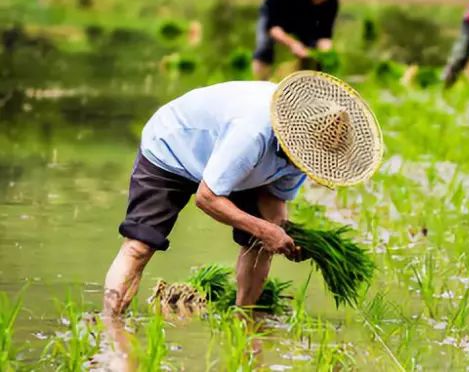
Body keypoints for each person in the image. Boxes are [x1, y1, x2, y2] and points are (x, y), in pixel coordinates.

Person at [102, 71, 382, 320]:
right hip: (173, 147)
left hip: (236, 165)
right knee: (140, 246)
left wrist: (285, 236)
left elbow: (275, 202)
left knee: (260, 244)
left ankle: (244, 320)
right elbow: (207, 198)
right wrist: (264, 229)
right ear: (292, 137)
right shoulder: (252, 131)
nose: (306, 164)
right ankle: (110, 329)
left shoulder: (308, 153)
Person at [253, 0, 340, 80]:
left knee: (313, 58)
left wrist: (324, 55)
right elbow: (274, 28)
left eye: (323, 0)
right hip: (277, 15)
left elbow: (324, 34)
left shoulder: (330, 2)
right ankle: (260, 83)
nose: (320, 2)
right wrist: (292, 43)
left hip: (305, 19)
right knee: (264, 49)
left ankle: (304, 86)